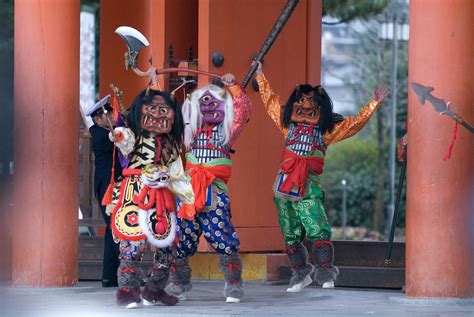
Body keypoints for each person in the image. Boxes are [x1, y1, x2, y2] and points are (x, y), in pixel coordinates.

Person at [253, 61, 388, 292]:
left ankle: (325, 272)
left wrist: (373, 104)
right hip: (283, 186)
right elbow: (271, 102)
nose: (305, 105)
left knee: (316, 226)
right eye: (301, 100)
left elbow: (354, 124)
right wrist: (260, 77)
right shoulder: (287, 126)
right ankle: (301, 273)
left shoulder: (327, 130)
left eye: (311, 101)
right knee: (289, 231)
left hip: (308, 186)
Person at [165, 74, 251, 303]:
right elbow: (164, 118)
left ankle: (234, 283)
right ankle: (179, 282)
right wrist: (155, 84)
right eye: (203, 103)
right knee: (181, 238)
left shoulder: (227, 132)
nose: (209, 107)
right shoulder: (188, 133)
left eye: (215, 103)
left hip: (215, 189)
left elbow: (242, 111)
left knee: (221, 235)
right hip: (188, 191)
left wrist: (233, 86)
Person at [106, 87, 195, 308]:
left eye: (164, 110)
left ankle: (154, 290)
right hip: (135, 192)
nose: (157, 114)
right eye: (152, 109)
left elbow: (177, 173)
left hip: (162, 196)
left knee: (165, 248)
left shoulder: (172, 144)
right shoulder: (135, 134)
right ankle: (127, 290)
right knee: (132, 245)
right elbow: (124, 139)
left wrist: (189, 199)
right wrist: (117, 134)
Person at [80, 95, 122, 288]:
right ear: (98, 119)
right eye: (109, 113)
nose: (113, 116)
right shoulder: (100, 133)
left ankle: (110, 277)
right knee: (114, 228)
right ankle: (115, 274)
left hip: (114, 184)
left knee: (114, 229)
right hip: (108, 186)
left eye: (112, 112)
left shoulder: (107, 129)